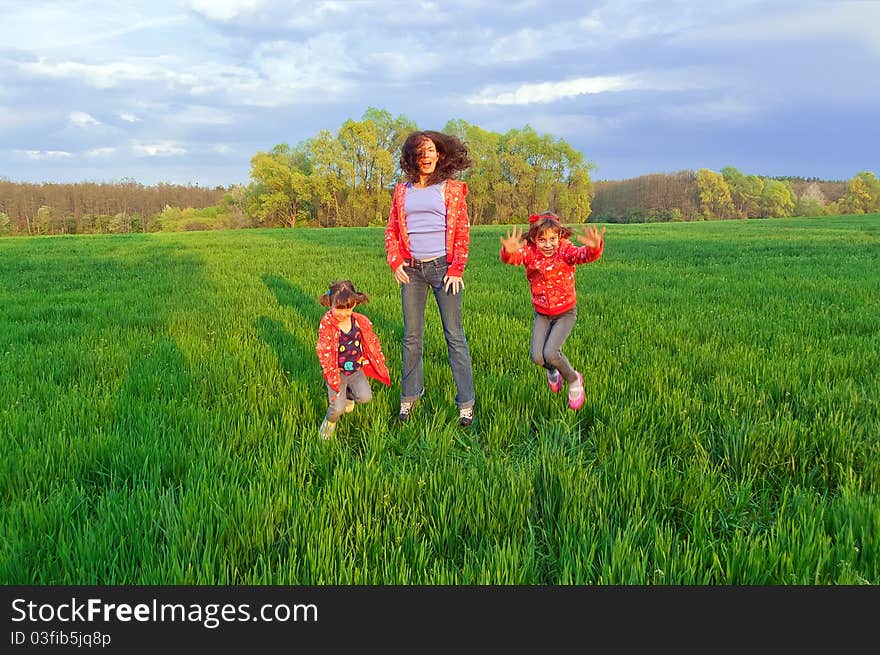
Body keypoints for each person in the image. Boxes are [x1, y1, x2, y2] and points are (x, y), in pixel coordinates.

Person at [384, 130, 476, 426]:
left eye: (431, 151)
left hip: (443, 270)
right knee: (411, 337)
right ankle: (409, 398)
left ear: (440, 154)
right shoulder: (401, 191)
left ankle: (466, 404)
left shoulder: (451, 189)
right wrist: (395, 260)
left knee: (455, 337)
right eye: (421, 152)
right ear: (412, 157)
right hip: (412, 271)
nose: (427, 157)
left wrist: (457, 268)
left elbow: (462, 231)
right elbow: (392, 230)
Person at [499, 212, 606, 411]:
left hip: (565, 313)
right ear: (533, 239)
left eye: (552, 239)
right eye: (542, 240)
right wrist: (509, 252)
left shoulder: (565, 250)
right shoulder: (530, 253)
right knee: (537, 357)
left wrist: (593, 248)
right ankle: (552, 371)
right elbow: (514, 257)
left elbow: (581, 255)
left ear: (559, 237)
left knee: (551, 352)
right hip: (543, 314)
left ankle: (574, 381)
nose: (548, 244)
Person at [315, 280, 390, 439]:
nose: (343, 313)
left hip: (356, 370)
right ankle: (329, 423)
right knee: (337, 408)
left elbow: (371, 340)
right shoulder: (327, 325)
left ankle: (350, 396)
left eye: (348, 309)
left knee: (365, 397)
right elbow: (323, 349)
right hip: (338, 373)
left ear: (354, 304)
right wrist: (330, 374)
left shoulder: (359, 321)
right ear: (330, 304)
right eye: (338, 309)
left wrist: (375, 358)